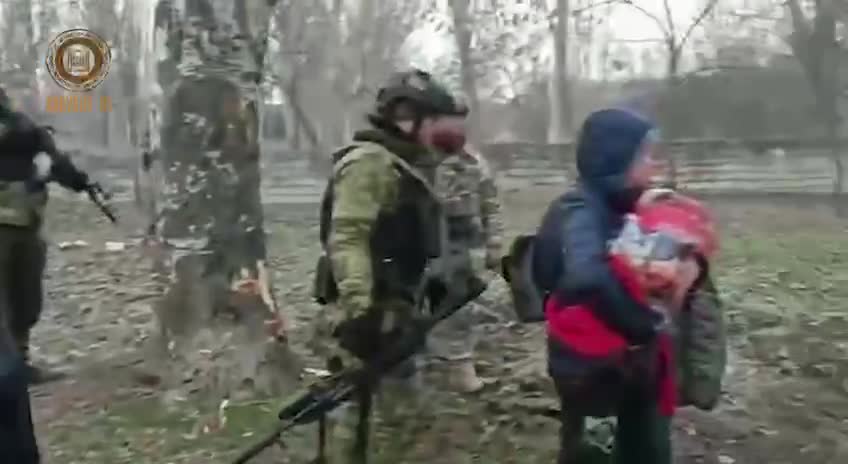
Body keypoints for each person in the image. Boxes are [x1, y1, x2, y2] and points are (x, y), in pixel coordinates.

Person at [310, 68, 469, 463]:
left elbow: (406, 241)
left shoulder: (407, 168)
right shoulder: (369, 164)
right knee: (353, 422)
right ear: (406, 118)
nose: (440, 132)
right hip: (363, 319)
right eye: (434, 121)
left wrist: (434, 285)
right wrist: (362, 311)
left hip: (396, 314)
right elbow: (347, 237)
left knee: (402, 421)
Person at [532, 108, 670, 464]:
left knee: (641, 442)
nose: (655, 165)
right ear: (616, 160)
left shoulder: (613, 207)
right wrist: (642, 324)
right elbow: (586, 276)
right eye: (646, 156)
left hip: (624, 364)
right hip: (592, 371)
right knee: (594, 451)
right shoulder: (579, 210)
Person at [0, 85, 93, 385]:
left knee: (25, 298)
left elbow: (55, 161)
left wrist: (76, 180)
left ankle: (19, 363)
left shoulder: (26, 130)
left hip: (26, 225)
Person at [428, 143, 503, 393]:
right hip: (421, 246)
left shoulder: (471, 159)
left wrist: (494, 244)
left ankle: (460, 369)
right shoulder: (410, 157)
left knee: (461, 309)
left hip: (463, 246)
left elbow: (490, 203)